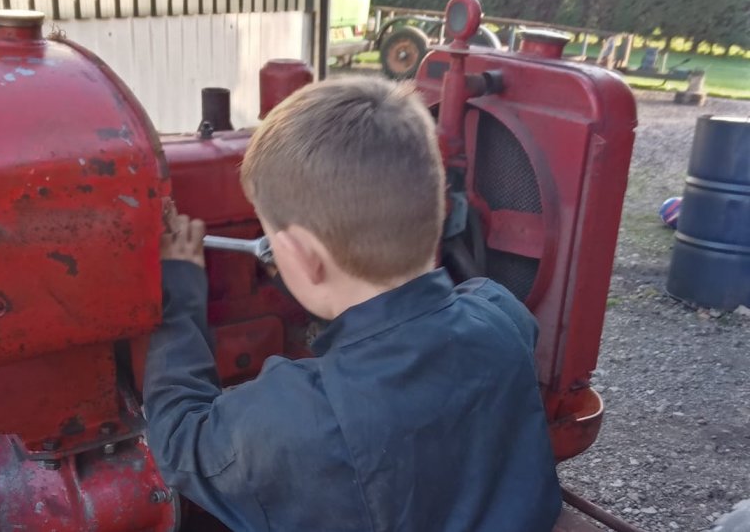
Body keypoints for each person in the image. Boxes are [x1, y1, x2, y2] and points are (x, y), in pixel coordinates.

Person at [144, 76, 562, 531]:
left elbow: (180, 439)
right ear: (438, 211)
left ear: (302, 258)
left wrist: (180, 287)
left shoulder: (298, 419)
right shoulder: (502, 313)